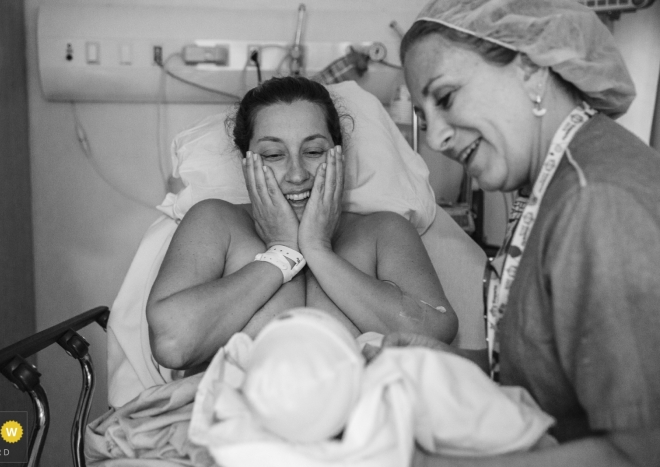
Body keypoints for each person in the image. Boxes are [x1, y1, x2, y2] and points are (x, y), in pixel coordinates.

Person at [373, 1, 660, 466]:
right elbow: (557, 381)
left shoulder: (598, 200)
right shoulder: (563, 180)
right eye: (425, 118)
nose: (436, 138)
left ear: (529, 68)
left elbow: (643, 451)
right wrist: (456, 364)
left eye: (444, 98)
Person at [146, 76, 458, 372]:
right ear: (246, 161)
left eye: (312, 151)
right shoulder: (215, 222)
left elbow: (435, 340)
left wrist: (318, 251)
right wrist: (281, 254)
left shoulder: (383, 232)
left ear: (338, 154)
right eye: (273, 154)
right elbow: (173, 344)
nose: (297, 174)